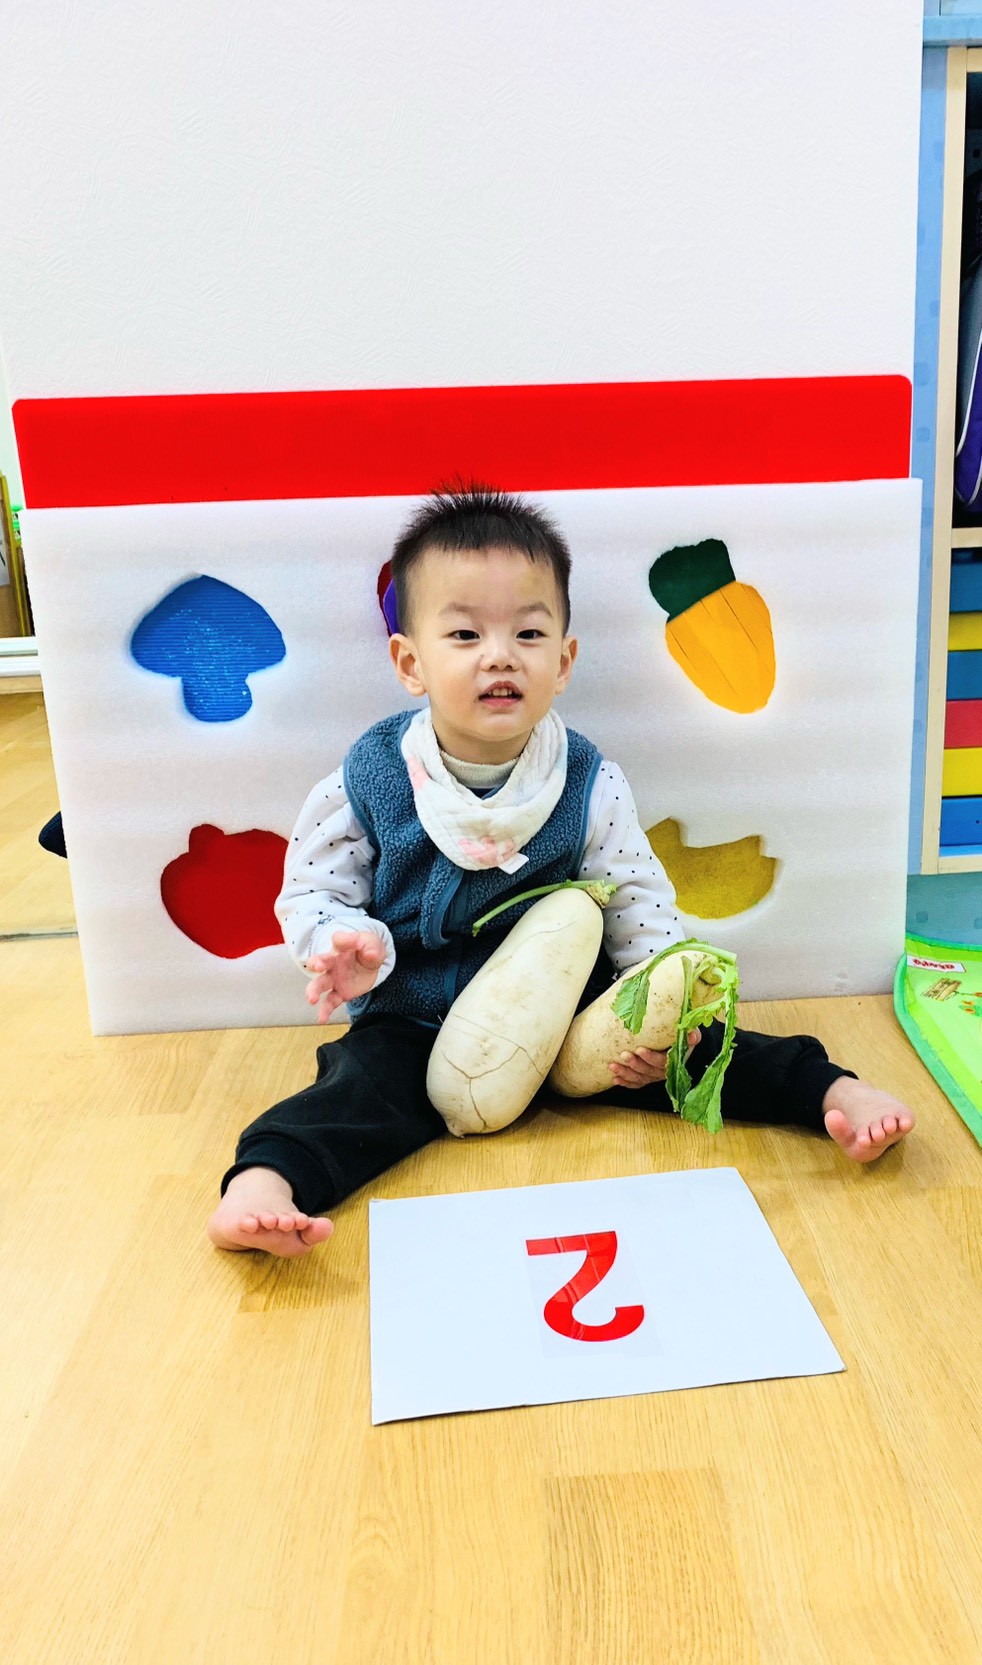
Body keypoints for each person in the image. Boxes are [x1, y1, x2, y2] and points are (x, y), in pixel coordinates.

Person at [208, 487, 916, 1258]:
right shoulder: (369, 776)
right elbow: (316, 888)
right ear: (411, 663)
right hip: (417, 1020)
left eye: (529, 632)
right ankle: (266, 1181)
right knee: (357, 1089)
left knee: (707, 1050)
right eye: (465, 633)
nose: (499, 654)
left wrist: (657, 1010)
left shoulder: (587, 780)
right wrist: (345, 944)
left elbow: (639, 900)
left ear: (564, 661)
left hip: (567, 1018)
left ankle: (832, 1090)